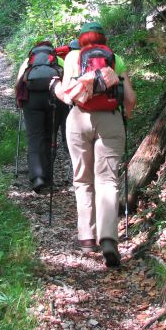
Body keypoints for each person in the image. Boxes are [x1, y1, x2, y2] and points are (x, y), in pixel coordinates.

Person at [51, 22, 136, 267]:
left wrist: (56, 87)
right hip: (110, 121)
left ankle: (87, 237)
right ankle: (108, 238)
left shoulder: (73, 58)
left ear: (82, 39)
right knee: (108, 180)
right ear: (103, 39)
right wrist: (125, 116)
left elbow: (67, 94)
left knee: (82, 179)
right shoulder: (115, 59)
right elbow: (130, 98)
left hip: (78, 119)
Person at [15, 41, 67, 193]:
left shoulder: (28, 62)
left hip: (31, 101)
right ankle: (49, 179)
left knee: (35, 137)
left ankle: (37, 178)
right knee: (50, 138)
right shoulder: (58, 61)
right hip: (54, 98)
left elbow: (18, 83)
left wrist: (19, 101)